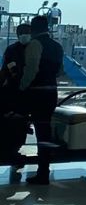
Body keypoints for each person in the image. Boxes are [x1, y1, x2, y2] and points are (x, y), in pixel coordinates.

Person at [19, 14, 64, 186]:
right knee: (45, 132)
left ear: (33, 28)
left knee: (36, 131)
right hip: (51, 92)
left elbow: (31, 70)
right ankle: (44, 169)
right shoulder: (57, 47)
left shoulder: (34, 44)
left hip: (37, 94)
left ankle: (41, 173)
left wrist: (22, 87)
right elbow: (60, 71)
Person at [0, 23, 32, 169]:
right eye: (22, 33)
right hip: (13, 93)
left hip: (27, 94)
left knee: (21, 125)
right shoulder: (12, 50)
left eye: (26, 32)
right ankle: (10, 151)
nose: (24, 35)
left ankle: (13, 150)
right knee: (13, 124)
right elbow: (5, 71)